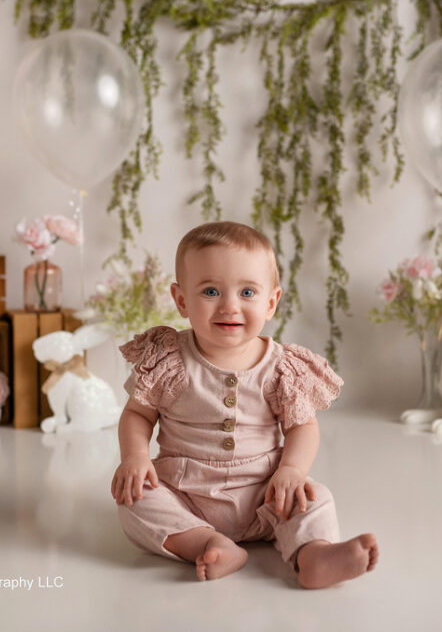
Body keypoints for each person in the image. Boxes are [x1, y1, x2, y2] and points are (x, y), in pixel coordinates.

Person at [110, 221, 378, 588]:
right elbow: (137, 414)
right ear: (181, 300)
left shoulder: (281, 367)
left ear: (271, 302)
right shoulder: (170, 358)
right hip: (185, 494)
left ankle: (313, 554)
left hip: (266, 494)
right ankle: (207, 542)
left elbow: (302, 426)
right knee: (134, 501)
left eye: (248, 292)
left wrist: (293, 471)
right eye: (210, 291)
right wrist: (135, 458)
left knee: (315, 498)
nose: (229, 306)